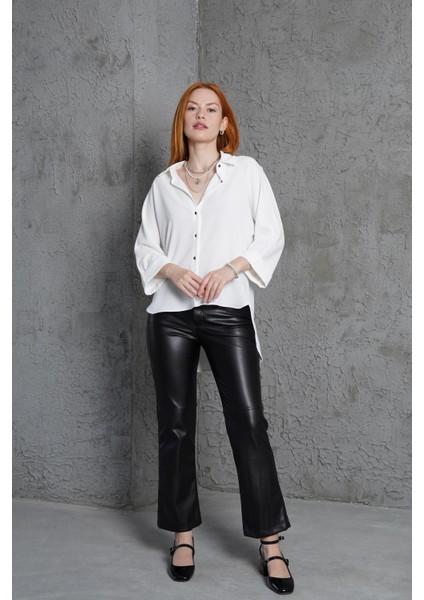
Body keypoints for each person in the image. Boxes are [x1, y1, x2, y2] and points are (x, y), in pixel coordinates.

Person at [134, 82, 294, 595]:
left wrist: (228, 269)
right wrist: (172, 270)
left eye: (211, 109)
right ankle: (182, 537)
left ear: (225, 123)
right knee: (175, 426)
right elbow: (146, 246)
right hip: (171, 316)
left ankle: (271, 543)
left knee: (248, 421)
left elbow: (270, 235)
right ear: (182, 121)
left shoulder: (247, 173)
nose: (201, 115)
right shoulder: (163, 184)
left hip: (228, 312)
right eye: (192, 108)